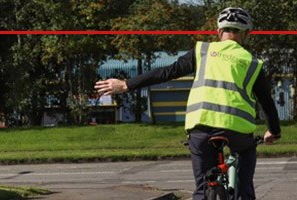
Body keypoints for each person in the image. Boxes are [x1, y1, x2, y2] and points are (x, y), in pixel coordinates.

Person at [94, 7, 281, 200]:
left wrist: (126, 84)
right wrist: (274, 131)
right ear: (246, 34)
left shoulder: (202, 51)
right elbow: (266, 102)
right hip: (238, 133)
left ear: (218, 32)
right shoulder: (252, 62)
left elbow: (167, 72)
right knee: (245, 179)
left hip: (200, 129)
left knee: (202, 189)